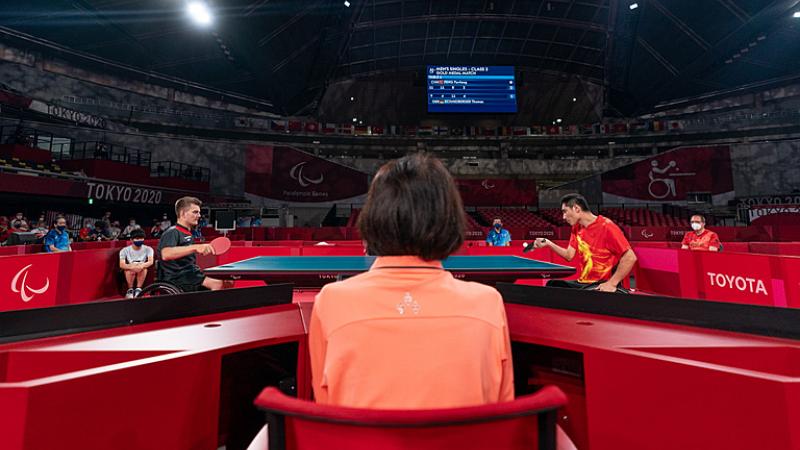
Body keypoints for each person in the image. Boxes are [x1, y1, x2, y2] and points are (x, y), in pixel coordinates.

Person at [249, 153, 574, 450]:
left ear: (373, 218)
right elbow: (500, 409)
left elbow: (329, 402)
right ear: (449, 220)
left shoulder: (331, 301)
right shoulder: (488, 302)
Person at [533, 193, 637, 292]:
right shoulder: (576, 228)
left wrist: (612, 284)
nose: (563, 217)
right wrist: (548, 243)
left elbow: (630, 257)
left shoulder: (607, 226)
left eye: (565, 211)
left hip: (600, 284)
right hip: (583, 283)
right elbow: (569, 255)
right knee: (552, 285)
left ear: (576, 209)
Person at [158, 197, 231, 291]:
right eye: (195, 212)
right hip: (177, 276)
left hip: (191, 273)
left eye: (199, 212)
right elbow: (166, 254)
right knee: (217, 283)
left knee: (228, 281)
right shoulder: (173, 232)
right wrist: (195, 248)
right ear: (183, 214)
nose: (199, 215)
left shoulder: (188, 233)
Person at [119, 229, 154, 298]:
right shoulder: (124, 250)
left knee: (144, 269)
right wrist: (132, 267)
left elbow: (150, 262)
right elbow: (122, 264)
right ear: (131, 240)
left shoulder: (148, 249)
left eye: (141, 238)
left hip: (141, 266)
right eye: (137, 238)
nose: (140, 240)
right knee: (128, 270)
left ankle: (138, 289)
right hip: (130, 266)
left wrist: (141, 266)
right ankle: (130, 290)